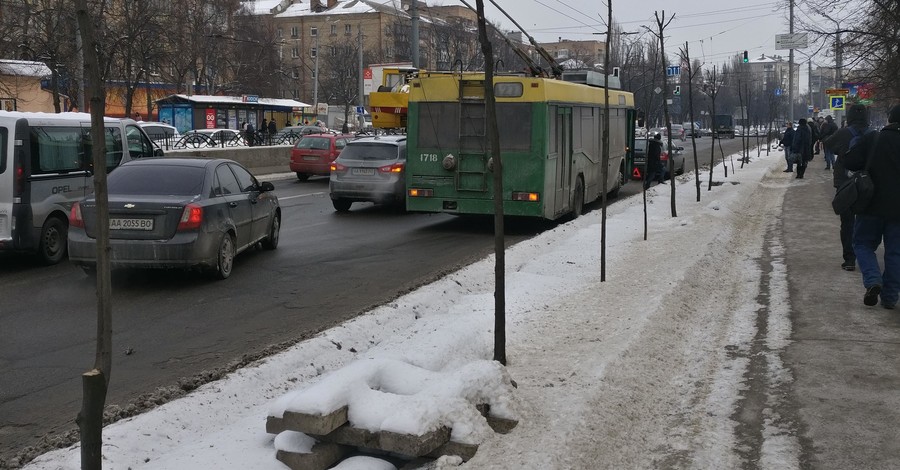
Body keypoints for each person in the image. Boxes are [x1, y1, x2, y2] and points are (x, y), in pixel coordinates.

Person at [842, 104, 900, 309]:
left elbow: (850, 162)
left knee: (862, 244)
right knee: (895, 253)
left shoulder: (873, 138)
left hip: (871, 203)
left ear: (889, 119)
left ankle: (873, 280)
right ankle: (890, 298)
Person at [823, 105, 870, 271]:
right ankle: (867, 257)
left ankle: (849, 259)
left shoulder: (844, 133)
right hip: (868, 184)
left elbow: (828, 143)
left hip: (846, 182)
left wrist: (842, 150)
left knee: (847, 222)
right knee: (866, 221)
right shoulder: (874, 134)